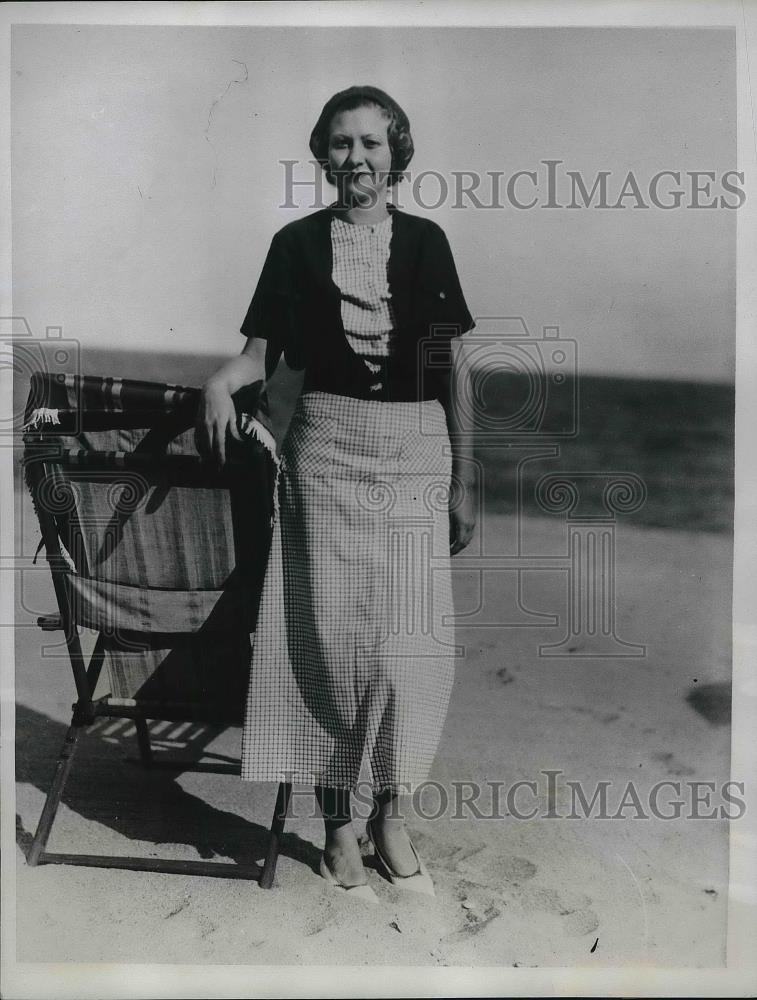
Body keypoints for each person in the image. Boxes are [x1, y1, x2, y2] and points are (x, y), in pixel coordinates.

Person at [196, 85, 476, 901]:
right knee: (325, 645)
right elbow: (257, 356)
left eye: (371, 144)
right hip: (323, 457)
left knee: (409, 651)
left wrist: (466, 478)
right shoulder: (292, 244)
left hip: (416, 455)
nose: (356, 159)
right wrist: (220, 383)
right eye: (341, 144)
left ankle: (390, 813)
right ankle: (337, 827)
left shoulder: (427, 243)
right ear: (321, 153)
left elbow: (453, 368)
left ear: (396, 156)